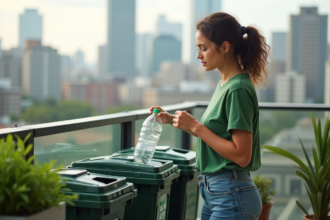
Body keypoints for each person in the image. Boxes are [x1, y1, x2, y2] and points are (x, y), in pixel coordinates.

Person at [150, 12, 269, 220]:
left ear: (224, 47)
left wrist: (197, 127)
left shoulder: (237, 89)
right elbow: (218, 137)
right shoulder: (224, 85)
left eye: (203, 48)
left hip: (231, 194)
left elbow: (242, 156)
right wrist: (174, 121)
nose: (199, 56)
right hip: (215, 192)